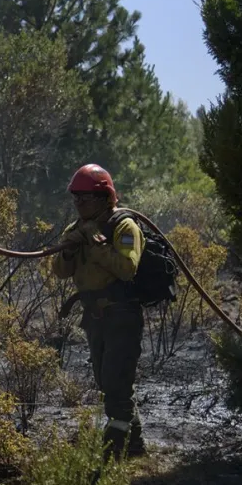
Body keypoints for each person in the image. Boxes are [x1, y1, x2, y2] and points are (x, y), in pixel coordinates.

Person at [52, 163, 147, 459]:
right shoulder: (75, 230)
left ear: (106, 197)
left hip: (122, 315)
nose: (79, 204)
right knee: (106, 381)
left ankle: (114, 451)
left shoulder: (123, 228)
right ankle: (135, 444)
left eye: (86, 198)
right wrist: (68, 250)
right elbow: (59, 271)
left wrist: (96, 246)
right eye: (75, 198)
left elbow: (128, 268)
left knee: (117, 382)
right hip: (94, 317)